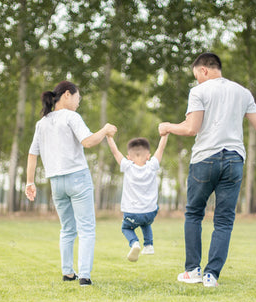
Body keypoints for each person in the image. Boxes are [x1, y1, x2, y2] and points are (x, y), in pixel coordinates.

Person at [158, 52, 256, 287]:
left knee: (194, 213)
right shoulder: (243, 93)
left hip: (205, 158)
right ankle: (211, 275)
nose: (196, 81)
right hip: (234, 160)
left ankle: (192, 271)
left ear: (204, 70)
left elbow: (192, 128)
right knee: (224, 220)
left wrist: (168, 127)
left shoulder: (199, 92)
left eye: (196, 76)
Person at [25, 80, 117, 287]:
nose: (78, 102)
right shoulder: (71, 117)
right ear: (67, 94)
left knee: (67, 229)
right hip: (78, 178)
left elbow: (32, 154)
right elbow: (88, 142)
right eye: (78, 98)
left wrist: (29, 182)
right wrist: (105, 130)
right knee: (86, 228)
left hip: (56, 182)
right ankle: (84, 275)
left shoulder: (42, 123)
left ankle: (68, 273)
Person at [106, 134, 169, 262]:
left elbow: (115, 152)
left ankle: (135, 243)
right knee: (145, 222)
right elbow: (161, 148)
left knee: (126, 228)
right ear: (148, 156)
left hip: (132, 212)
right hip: (150, 212)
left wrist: (109, 136)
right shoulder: (152, 166)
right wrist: (165, 134)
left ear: (129, 157)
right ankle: (149, 244)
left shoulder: (127, 166)